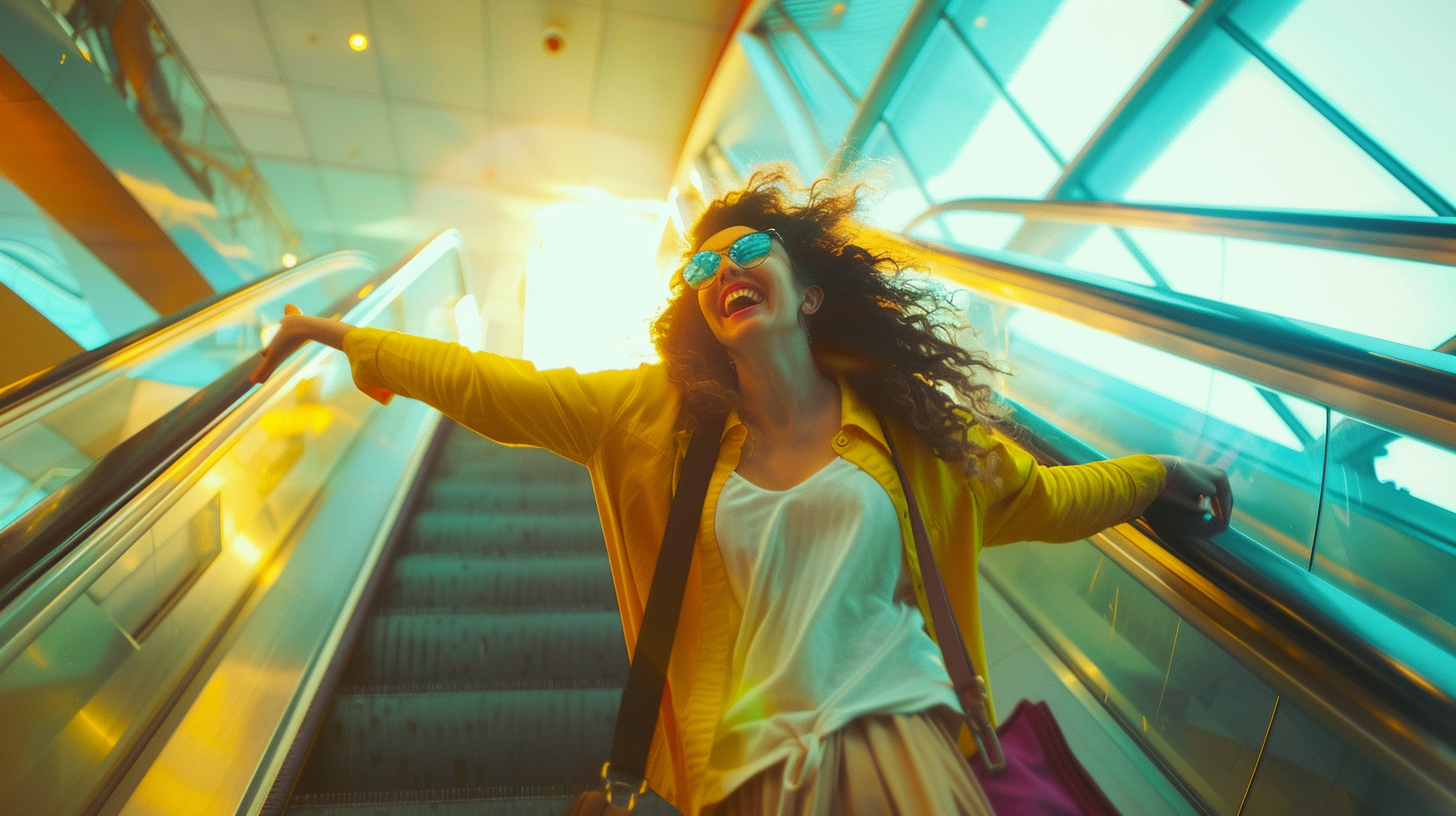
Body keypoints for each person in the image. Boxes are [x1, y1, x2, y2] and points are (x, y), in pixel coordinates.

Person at [251, 169, 1231, 816]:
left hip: (900, 751)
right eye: (700, 265)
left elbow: (1049, 500)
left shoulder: (916, 435)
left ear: (807, 293)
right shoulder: (651, 419)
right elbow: (489, 386)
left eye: (745, 250)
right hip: (746, 780)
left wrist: (1156, 476)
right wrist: (341, 340)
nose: (720, 269)